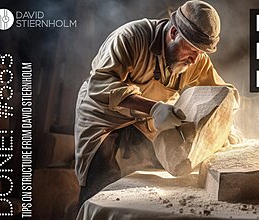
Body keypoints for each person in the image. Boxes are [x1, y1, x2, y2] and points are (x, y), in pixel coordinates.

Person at [74, 0, 239, 209]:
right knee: (99, 184)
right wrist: (153, 108)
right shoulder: (131, 37)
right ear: (173, 33)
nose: (195, 60)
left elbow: (222, 91)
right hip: (103, 115)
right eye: (192, 50)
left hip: (148, 119)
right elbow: (100, 85)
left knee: (156, 181)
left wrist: (227, 123)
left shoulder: (197, 59)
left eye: (201, 53)